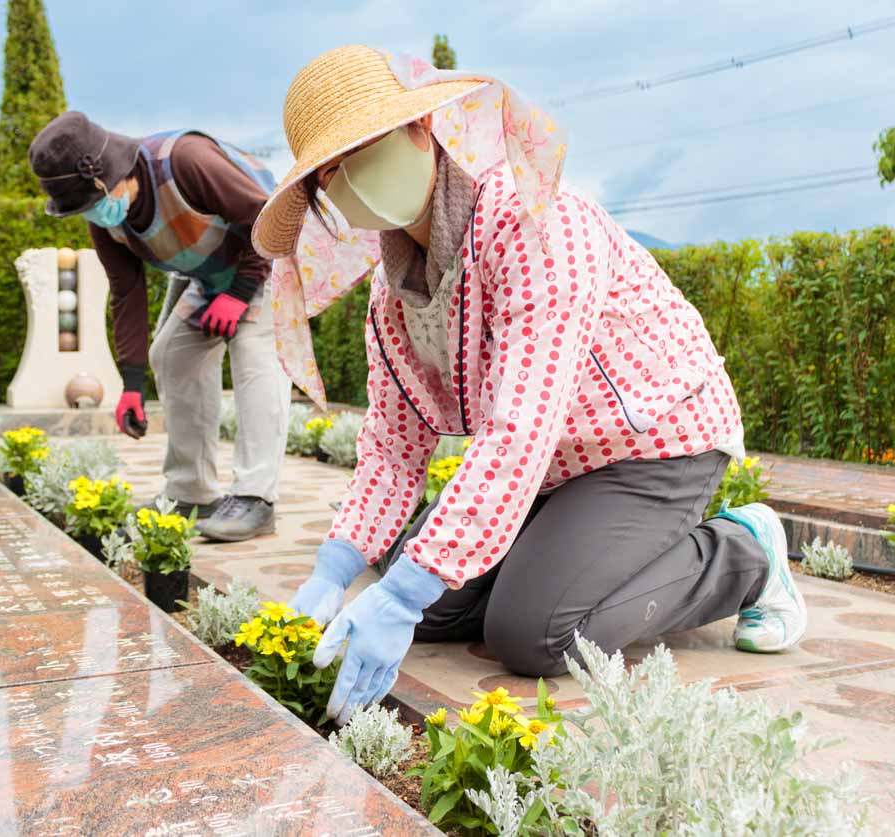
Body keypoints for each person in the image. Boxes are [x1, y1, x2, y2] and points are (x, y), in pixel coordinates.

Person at [251, 46, 808, 724]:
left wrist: (402, 591)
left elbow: (521, 425)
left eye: (362, 150)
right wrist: (335, 568)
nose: (352, 182)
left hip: (652, 442)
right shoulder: (392, 299)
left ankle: (745, 553)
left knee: (535, 629)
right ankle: (568, 559)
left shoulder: (534, 219)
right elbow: (394, 447)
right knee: (431, 597)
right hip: (556, 466)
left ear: (421, 130)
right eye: (330, 173)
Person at [29, 112, 290, 541]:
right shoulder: (107, 222)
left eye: (94, 203)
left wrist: (240, 292)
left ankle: (255, 499)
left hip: (269, 259)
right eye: (83, 211)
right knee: (172, 355)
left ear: (110, 174)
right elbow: (126, 293)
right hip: (211, 279)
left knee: (255, 354)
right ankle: (191, 491)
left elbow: (268, 220)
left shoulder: (186, 161)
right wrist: (131, 383)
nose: (94, 215)